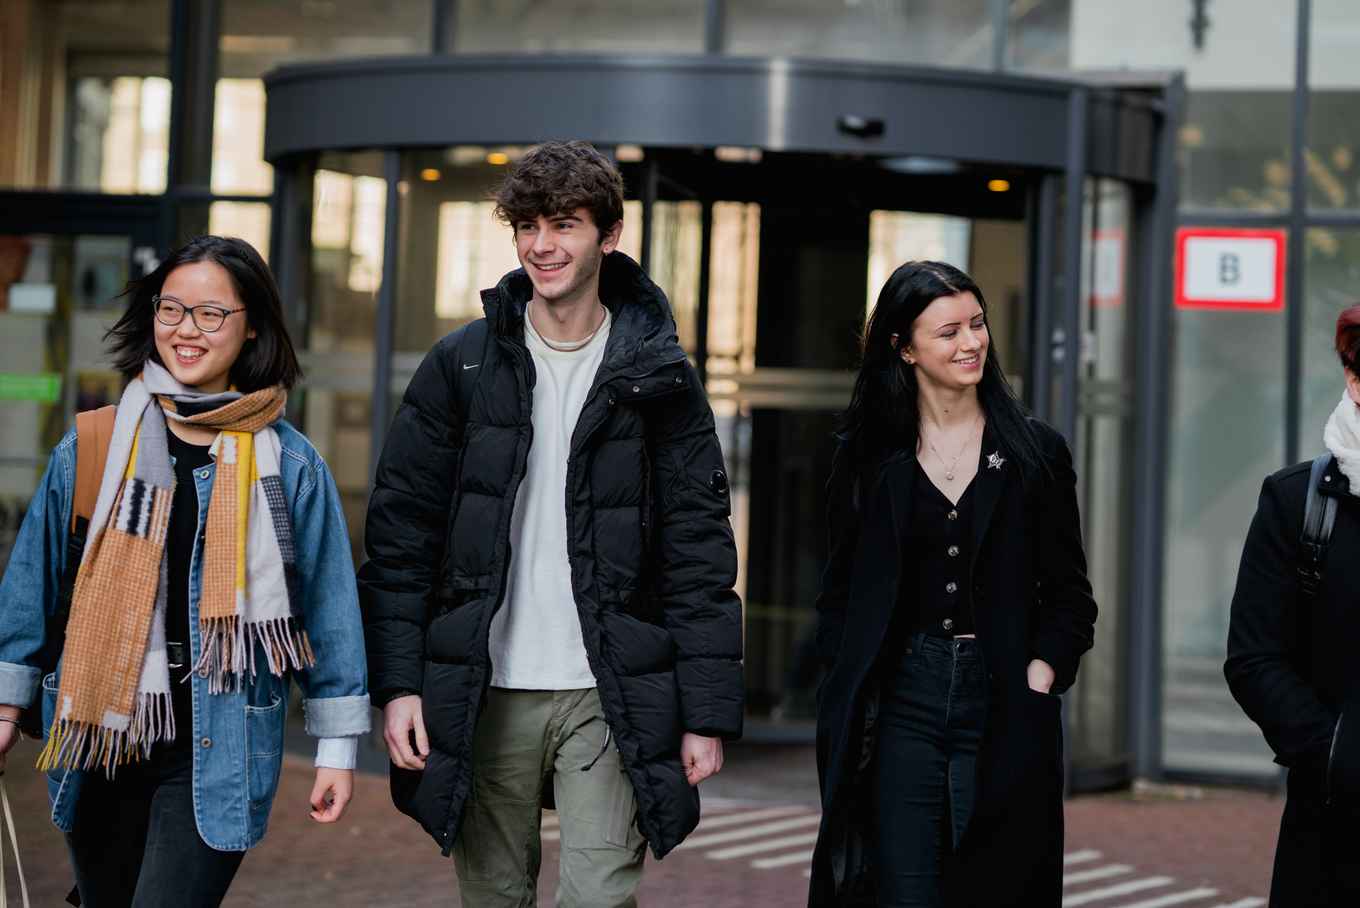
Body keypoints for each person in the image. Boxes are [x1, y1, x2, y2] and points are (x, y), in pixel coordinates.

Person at [359, 141, 743, 907]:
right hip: (487, 685)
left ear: (609, 234)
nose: (542, 245)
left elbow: (699, 553)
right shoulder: (460, 365)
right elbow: (401, 538)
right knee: (494, 894)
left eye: (564, 224)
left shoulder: (660, 377)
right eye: (527, 225)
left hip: (608, 687)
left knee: (599, 895)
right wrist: (398, 685)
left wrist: (705, 713)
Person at [0, 235, 370, 907]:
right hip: (102, 729)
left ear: (251, 323)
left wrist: (337, 749)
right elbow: (29, 584)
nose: (186, 331)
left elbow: (329, 611)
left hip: (217, 734)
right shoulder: (97, 444)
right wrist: (5, 700)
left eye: (210, 314)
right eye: (172, 310)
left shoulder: (289, 465)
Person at [807, 261, 1098, 907]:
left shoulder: (1034, 452)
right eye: (948, 332)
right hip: (901, 701)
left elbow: (1071, 598)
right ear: (904, 348)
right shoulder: (866, 457)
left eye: (977, 323)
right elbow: (840, 592)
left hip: (1002, 699)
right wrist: (843, 680)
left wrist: (1038, 679)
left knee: (997, 885)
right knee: (901, 890)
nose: (971, 342)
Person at [1226, 303, 1360, 905]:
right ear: (1354, 381)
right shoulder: (1297, 503)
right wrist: (1336, 752)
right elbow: (1254, 659)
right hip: (1335, 823)